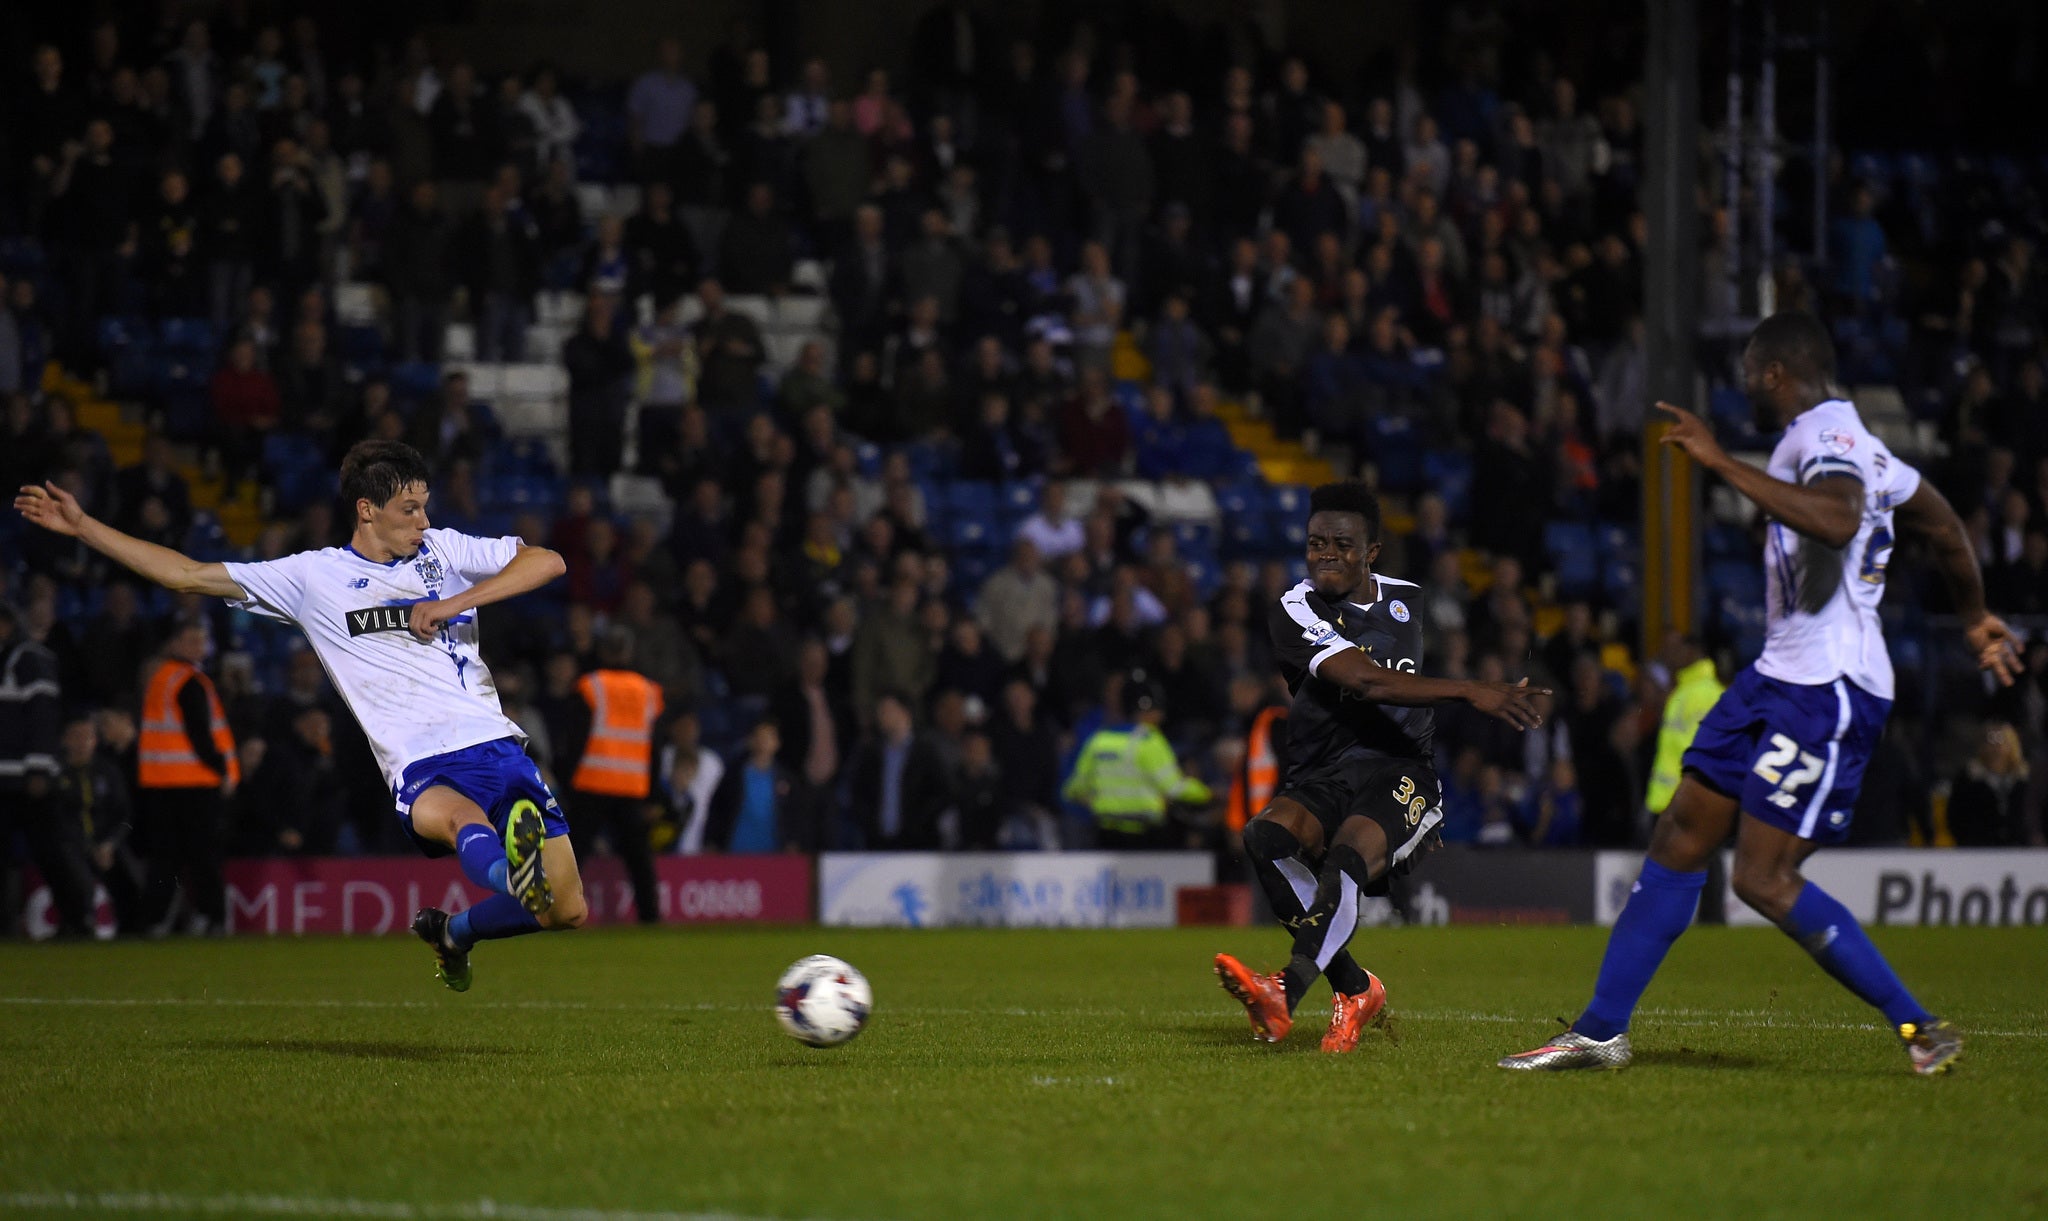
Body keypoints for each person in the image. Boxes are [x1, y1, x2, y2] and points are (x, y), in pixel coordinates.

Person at [1499, 311, 2020, 1075]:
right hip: (1779, 674)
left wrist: (1719, 460)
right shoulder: (1862, 445)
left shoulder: (1826, 436)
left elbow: (1841, 520)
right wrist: (1973, 616)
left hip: (1830, 685)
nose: (1743, 383)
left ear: (1775, 371)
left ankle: (1919, 1027)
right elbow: (1940, 524)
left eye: (1748, 369)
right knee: (1681, 832)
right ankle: (1600, 1029)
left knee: (1761, 877)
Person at [15, 440, 577, 989]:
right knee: (463, 824)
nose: (423, 521)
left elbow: (547, 561)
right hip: (421, 760)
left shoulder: (446, 551)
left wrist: (454, 603)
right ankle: (513, 875)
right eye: (410, 509)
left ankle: (453, 932)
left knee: (567, 910)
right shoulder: (313, 579)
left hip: (498, 744)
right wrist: (86, 527)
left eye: (425, 506)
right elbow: (184, 574)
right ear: (367, 510)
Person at [1214, 480, 1547, 1051]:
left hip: (1400, 774)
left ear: (1372, 552)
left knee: (1348, 854)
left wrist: (1420, 809)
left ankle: (1283, 992)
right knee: (1264, 837)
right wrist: (1470, 691)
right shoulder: (1295, 608)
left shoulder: (1408, 598)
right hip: (1323, 775)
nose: (1326, 555)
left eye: (1342, 545)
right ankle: (1355, 988)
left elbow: (1406, 693)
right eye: (1316, 542)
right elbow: (1369, 682)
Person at [135, 619, 239, 935]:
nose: (200, 647)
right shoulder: (189, 681)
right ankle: (212, 917)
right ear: (175, 644)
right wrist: (222, 770)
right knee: (203, 857)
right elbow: (200, 735)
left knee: (165, 858)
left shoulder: (162, 678)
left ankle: (154, 920)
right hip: (194, 782)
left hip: (160, 781)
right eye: (192, 640)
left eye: (202, 640)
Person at [565, 629, 665, 925]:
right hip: (631, 787)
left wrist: (568, 780)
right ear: (628, 653)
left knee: (574, 856)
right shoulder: (649, 692)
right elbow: (655, 748)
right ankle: (651, 918)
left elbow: (575, 740)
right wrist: (653, 793)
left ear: (603, 652)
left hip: (592, 784)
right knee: (639, 861)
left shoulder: (589, 687)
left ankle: (554, 911)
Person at [1062, 681, 1213, 848]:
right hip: (1144, 834)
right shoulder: (1149, 740)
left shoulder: (1099, 740)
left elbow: (1074, 789)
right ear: (1150, 712)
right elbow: (1173, 788)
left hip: (1105, 833)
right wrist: (1207, 793)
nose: (1161, 716)